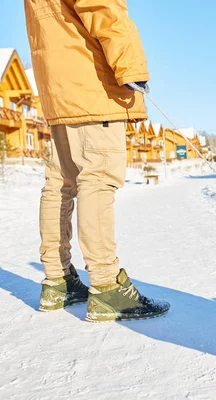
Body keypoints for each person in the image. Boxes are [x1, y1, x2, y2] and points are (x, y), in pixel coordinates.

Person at [24, 0, 170, 322]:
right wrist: (130, 66)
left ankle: (57, 282)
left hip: (58, 87)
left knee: (60, 183)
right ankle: (106, 286)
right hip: (91, 83)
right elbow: (102, 7)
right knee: (98, 178)